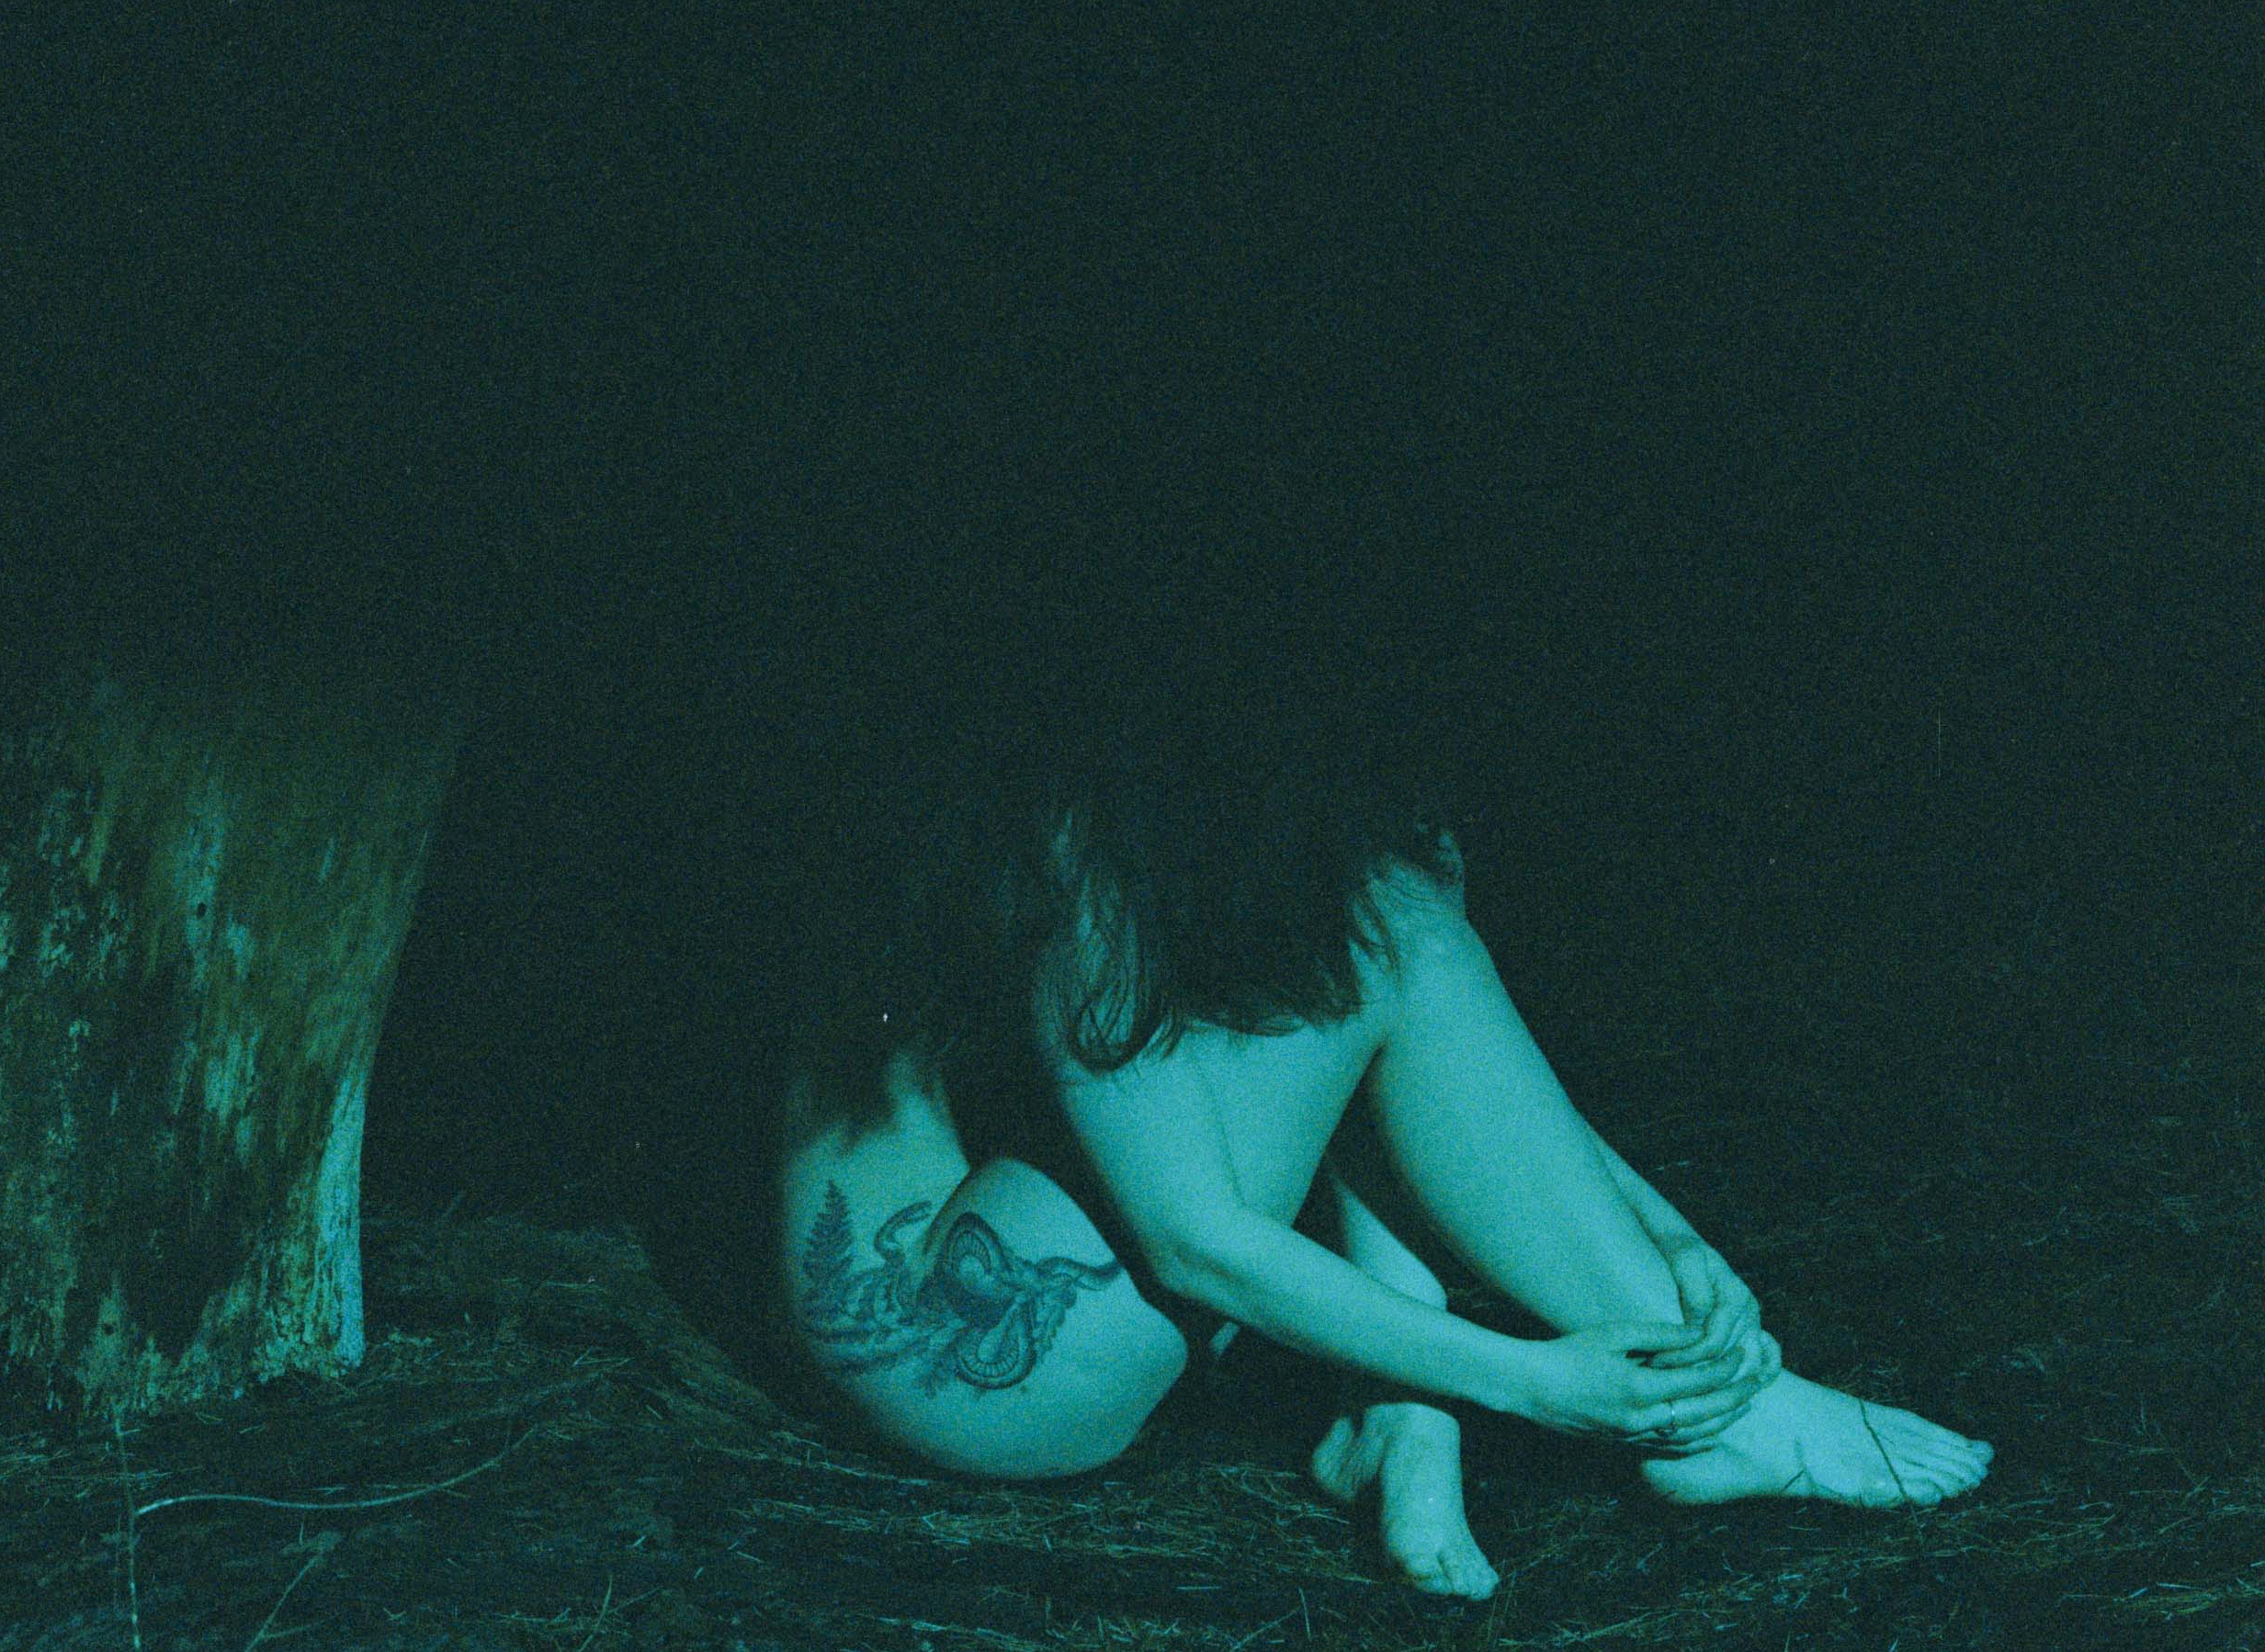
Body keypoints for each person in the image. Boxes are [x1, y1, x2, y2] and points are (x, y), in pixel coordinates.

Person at [766, 673, 1992, 1600]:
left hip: (1028, 1314)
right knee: (1382, 934)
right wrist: (1537, 1385)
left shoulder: (1216, 826)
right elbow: (1196, 1241)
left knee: (1378, 932)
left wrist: (1676, 1237)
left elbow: (1452, 1087)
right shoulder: (1068, 835)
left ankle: (1408, 1425)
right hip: (949, 1362)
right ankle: (1720, 1409)